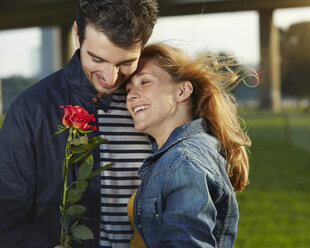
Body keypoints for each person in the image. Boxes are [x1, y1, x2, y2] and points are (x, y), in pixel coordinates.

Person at [0, 0, 158, 247]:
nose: (110, 78)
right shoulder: (31, 109)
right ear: (77, 34)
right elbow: (6, 216)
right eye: (97, 59)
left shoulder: (161, 101)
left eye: (125, 63)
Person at [125, 43, 252, 247]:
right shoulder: (175, 156)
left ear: (182, 90)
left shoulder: (184, 162)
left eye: (144, 82)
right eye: (129, 89)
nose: (131, 95)